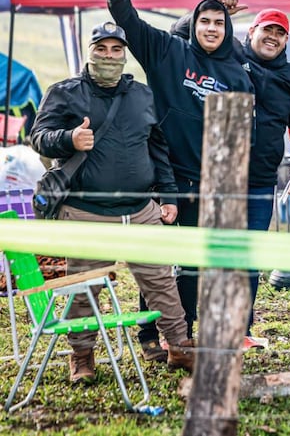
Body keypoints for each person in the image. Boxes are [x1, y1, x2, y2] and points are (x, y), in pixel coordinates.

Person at [94, 0, 256, 361]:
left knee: (194, 264)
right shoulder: (168, 52)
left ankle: (181, 335)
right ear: (193, 25)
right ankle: (149, 331)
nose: (212, 28)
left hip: (209, 182)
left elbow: (241, 134)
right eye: (204, 21)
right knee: (157, 264)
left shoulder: (238, 74)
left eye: (219, 23)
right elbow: (129, 22)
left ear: (228, 29)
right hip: (163, 178)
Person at [28, 22, 195, 382]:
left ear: (124, 54)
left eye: (115, 49)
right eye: (101, 49)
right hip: (87, 213)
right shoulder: (64, 93)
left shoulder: (143, 96)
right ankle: (82, 356)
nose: (108, 56)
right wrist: (69, 137)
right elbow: (38, 138)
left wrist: (167, 196)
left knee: (161, 282)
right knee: (84, 289)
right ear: (89, 52)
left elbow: (159, 149)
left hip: (141, 210)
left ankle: (179, 346)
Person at [169, 0, 290, 343]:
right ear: (251, 32)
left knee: (249, 259)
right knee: (204, 256)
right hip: (217, 177)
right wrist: (214, 13)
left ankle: (240, 331)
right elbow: (180, 35)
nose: (273, 37)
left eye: (280, 33)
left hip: (261, 182)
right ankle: (185, 329)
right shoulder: (231, 56)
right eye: (268, 30)